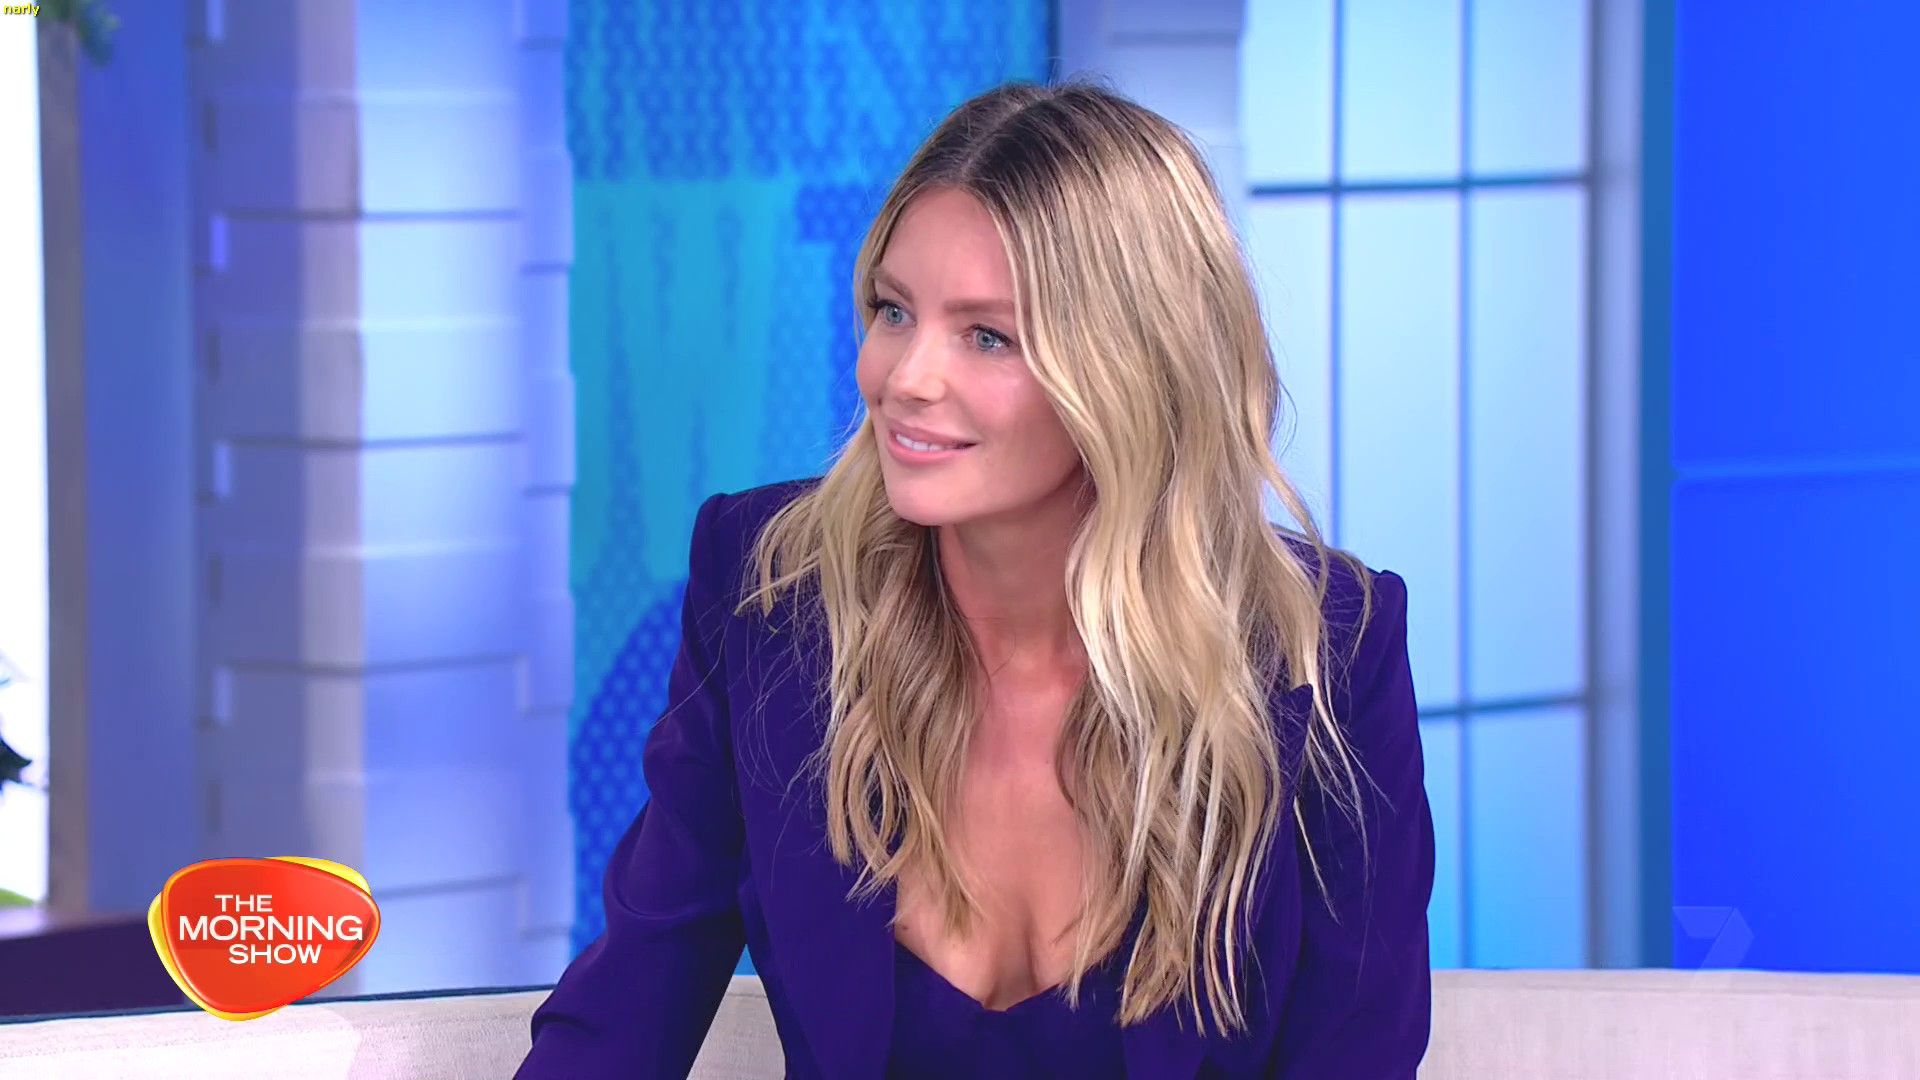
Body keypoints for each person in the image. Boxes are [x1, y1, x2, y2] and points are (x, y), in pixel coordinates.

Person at [516, 79, 1434, 1079]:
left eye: (986, 335)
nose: (905, 378)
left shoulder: (1324, 653)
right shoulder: (772, 594)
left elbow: (1356, 1054)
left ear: (1132, 368)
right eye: (894, 311)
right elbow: (633, 998)